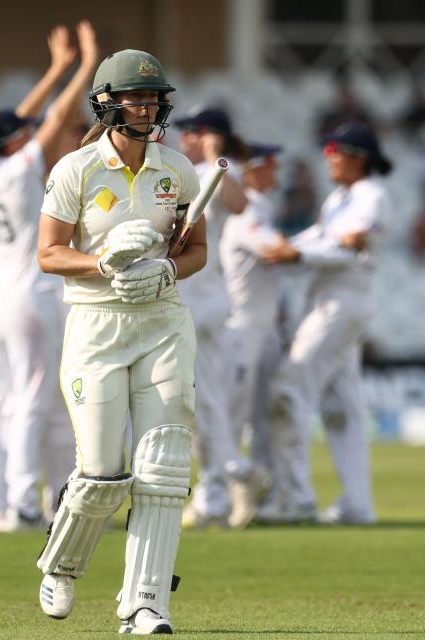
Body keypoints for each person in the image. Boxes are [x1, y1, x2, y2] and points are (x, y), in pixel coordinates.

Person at [35, 48, 202, 634]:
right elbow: (49, 254)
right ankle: (61, 564)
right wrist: (103, 264)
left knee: (162, 466)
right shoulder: (75, 170)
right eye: (135, 98)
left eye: (154, 98)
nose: (147, 107)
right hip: (97, 326)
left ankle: (146, 602)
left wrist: (170, 271)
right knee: (104, 472)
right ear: (107, 104)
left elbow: (194, 247)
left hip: (161, 322)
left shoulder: (177, 169)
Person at [0, 22, 97, 531]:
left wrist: (55, 67)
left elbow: (23, 119)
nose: (30, 135)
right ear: (14, 144)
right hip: (33, 291)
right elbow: (51, 121)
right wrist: (86, 63)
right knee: (32, 397)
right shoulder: (19, 166)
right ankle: (22, 502)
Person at [259, 123, 391, 526]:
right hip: (330, 299)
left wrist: (294, 257)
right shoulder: (339, 198)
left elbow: (352, 248)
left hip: (342, 302)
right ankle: (358, 504)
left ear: (359, 156)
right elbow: (323, 236)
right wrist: (289, 248)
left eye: (335, 150)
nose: (328, 157)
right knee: (342, 407)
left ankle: (295, 496)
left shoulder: (372, 195)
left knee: (288, 389)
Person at [172, 107, 260, 529]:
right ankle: (219, 490)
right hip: (188, 296)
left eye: (191, 130)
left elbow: (240, 203)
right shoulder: (185, 170)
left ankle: (234, 475)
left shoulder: (220, 168)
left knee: (199, 401)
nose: (183, 137)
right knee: (199, 403)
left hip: (202, 300)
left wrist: (215, 157)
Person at [219, 143, 287, 512]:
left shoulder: (262, 208)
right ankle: (227, 495)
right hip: (241, 328)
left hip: (264, 328)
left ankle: (266, 496)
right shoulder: (245, 213)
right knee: (234, 416)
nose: (276, 172)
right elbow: (275, 250)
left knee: (264, 417)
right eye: (270, 165)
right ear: (252, 172)